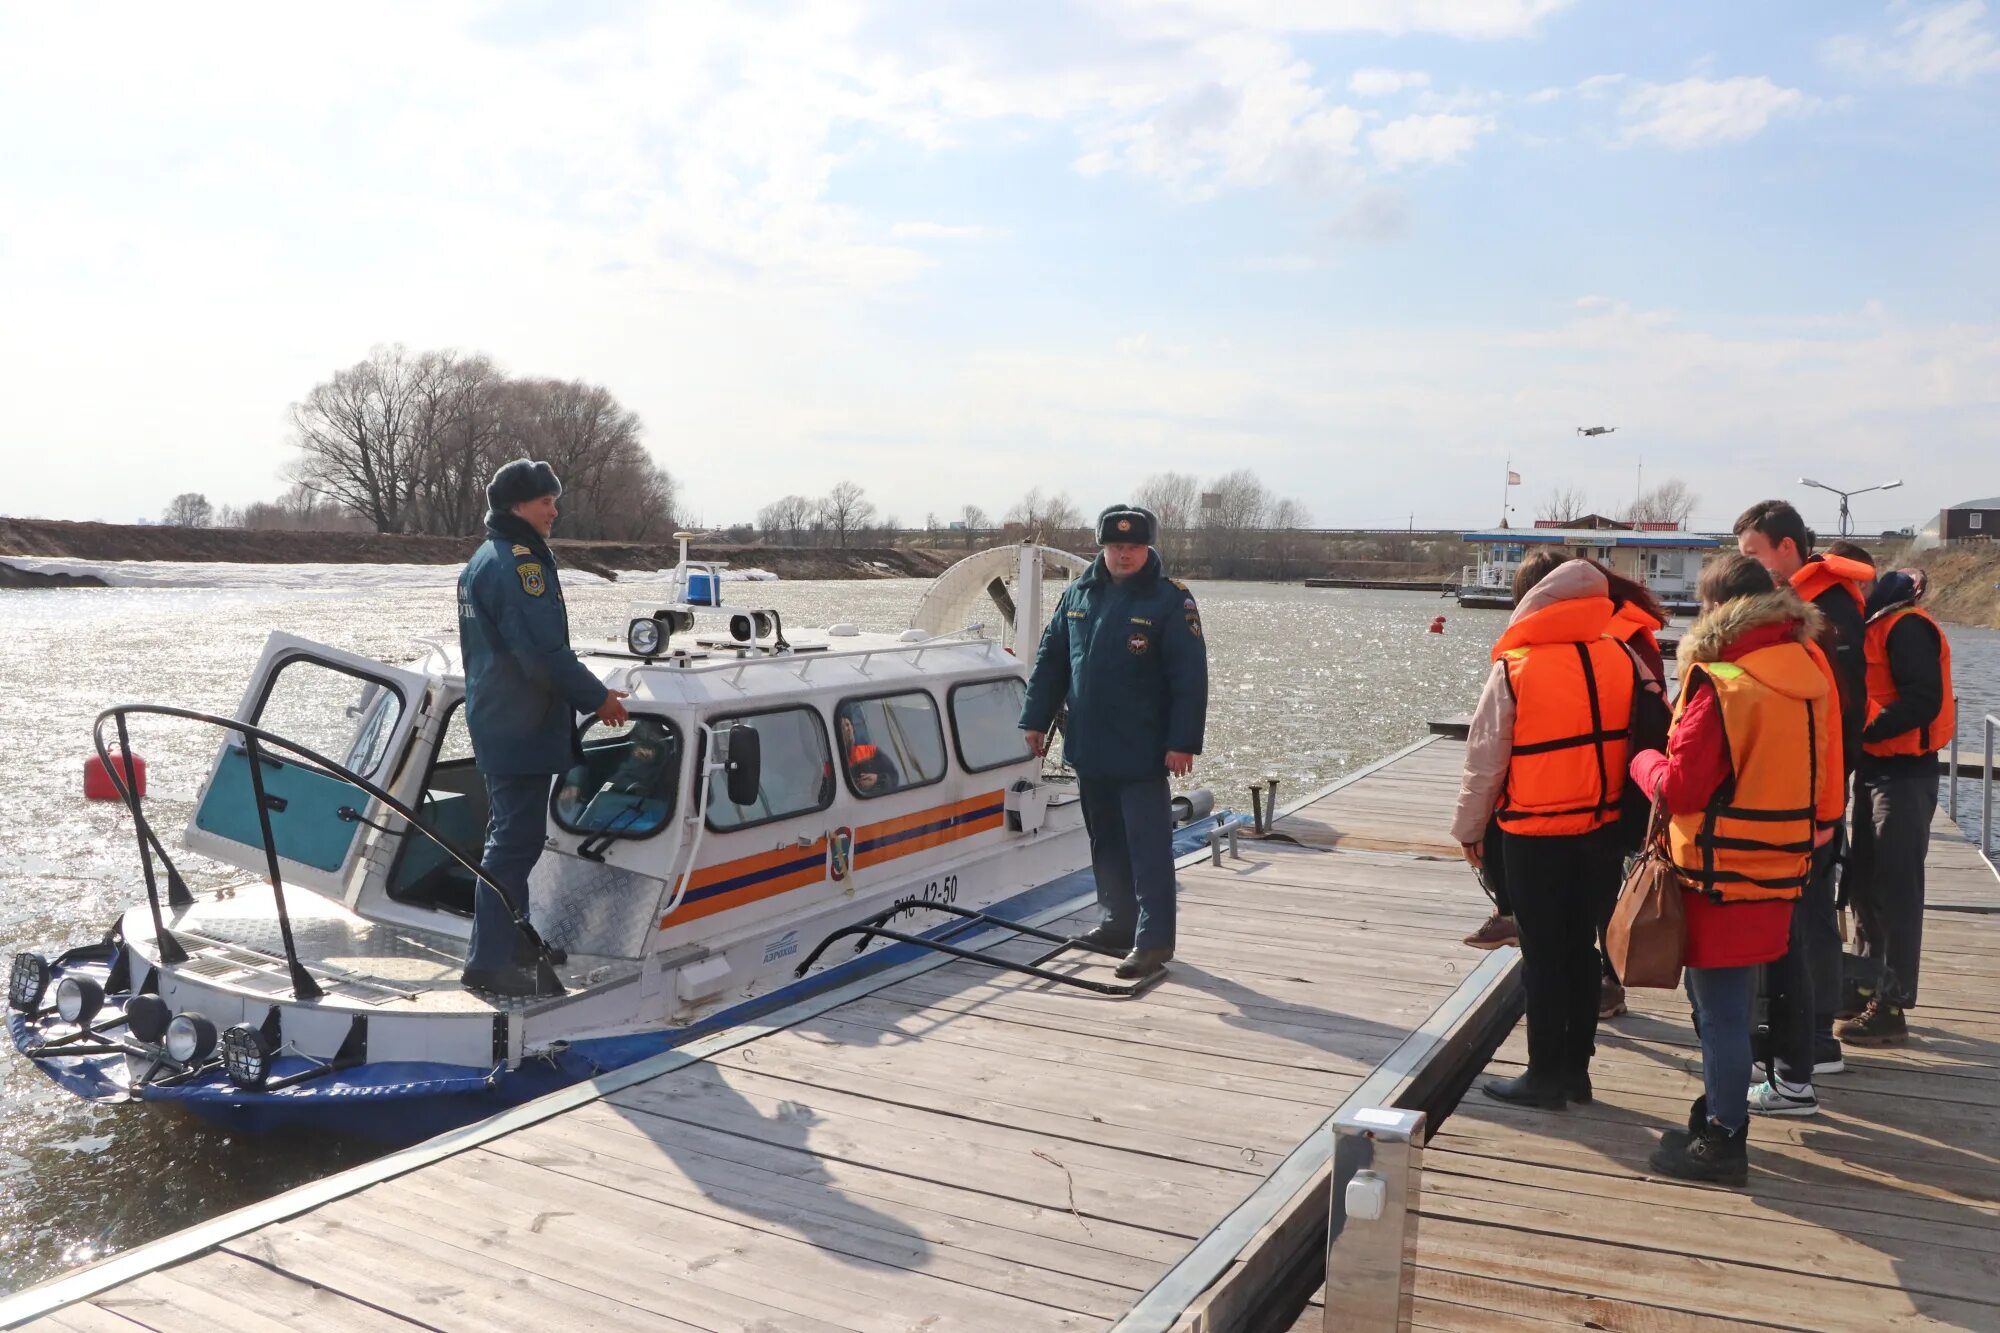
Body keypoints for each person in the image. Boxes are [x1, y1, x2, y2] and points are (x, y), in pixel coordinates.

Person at [1629, 554, 1834, 1184]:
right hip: (1782, 867)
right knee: (1735, 1005)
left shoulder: (1720, 682)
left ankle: (1723, 1142)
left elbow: (1683, 787)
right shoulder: (1810, 673)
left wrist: (1641, 763)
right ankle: (1717, 1110)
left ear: (1717, 608)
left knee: (1717, 1011)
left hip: (1716, 876)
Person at [1453, 551, 1638, 1109]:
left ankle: (1543, 1075)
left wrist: (1469, 829)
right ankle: (1576, 1070)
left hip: (1535, 835)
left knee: (1542, 953)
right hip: (1601, 830)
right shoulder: (1622, 657)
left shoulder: (1516, 666)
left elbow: (1485, 758)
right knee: (1582, 950)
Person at [457, 459, 628, 996]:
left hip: (502, 717)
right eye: (546, 501)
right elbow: (541, 652)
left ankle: (514, 943)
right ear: (517, 507)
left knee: (512, 835)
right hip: (518, 721)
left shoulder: (485, 558)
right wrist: (598, 698)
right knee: (512, 843)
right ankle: (489, 961)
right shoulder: (518, 565)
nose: (555, 510)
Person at [1021, 504, 1208, 981]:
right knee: (1105, 844)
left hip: (1143, 750)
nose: (1124, 555)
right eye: (1116, 546)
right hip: (1089, 744)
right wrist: (1035, 719)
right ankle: (1118, 925)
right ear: (1102, 547)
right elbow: (1052, 661)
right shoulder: (1078, 594)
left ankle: (1154, 941)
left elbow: (1189, 678)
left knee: (1147, 849)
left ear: (1148, 548)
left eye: (1134, 547)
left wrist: (1183, 741)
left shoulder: (1170, 600)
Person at [1733, 500, 1870, 1105]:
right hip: (1812, 790)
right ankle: (1798, 1039)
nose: (1751, 568)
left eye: (1753, 555)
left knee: (1809, 915)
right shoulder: (1817, 605)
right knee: (1799, 915)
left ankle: (1815, 1042)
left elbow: (1837, 709)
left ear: (1785, 549)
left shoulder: (1826, 612)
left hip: (1811, 797)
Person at [1837, 566, 1953, 1046]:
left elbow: (1923, 700)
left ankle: (1893, 1003)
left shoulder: (1905, 627)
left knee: (1896, 889)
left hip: (1905, 776)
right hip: (1875, 771)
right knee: (1864, 881)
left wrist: (1867, 731)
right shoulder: (1874, 624)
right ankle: (1866, 983)